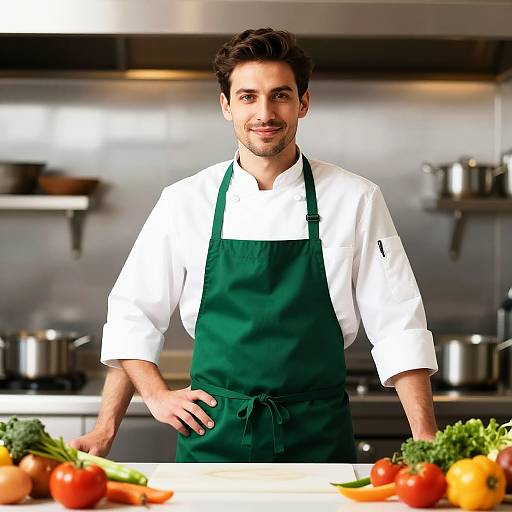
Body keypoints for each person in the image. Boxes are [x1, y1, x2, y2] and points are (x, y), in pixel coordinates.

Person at [70, 28, 438, 462]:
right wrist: (127, 414)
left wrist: (426, 437)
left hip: (317, 438)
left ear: (303, 102)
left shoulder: (356, 198)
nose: (265, 112)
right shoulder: (185, 201)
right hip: (212, 435)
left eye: (280, 95)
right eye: (247, 97)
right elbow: (133, 315)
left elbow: (398, 324)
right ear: (226, 106)